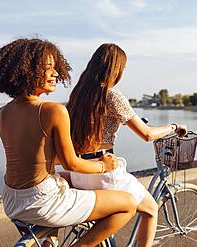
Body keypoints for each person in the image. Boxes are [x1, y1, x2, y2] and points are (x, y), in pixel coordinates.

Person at [0, 38, 137, 247]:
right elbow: (72, 163)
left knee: (61, 183)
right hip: (42, 202)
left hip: (12, 200)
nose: (57, 74)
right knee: (128, 204)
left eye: (56, 68)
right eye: (49, 68)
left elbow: (39, 158)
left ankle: (48, 240)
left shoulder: (2, 113)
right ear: (28, 70)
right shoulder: (53, 110)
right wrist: (104, 166)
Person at [66, 43, 187, 247]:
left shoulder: (78, 95)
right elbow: (147, 134)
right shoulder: (112, 95)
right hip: (104, 173)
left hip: (80, 173)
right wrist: (173, 126)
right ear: (116, 69)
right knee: (150, 209)